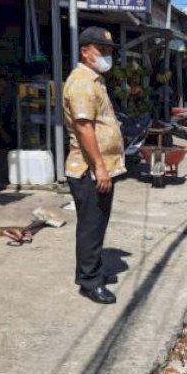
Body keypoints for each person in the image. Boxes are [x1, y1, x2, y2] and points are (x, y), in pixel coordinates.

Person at [63, 26, 125, 305]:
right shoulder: (81, 83)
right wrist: (99, 167)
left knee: (97, 223)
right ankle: (89, 281)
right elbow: (84, 127)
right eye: (102, 50)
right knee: (91, 225)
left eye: (109, 50)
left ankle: (92, 270)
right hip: (88, 168)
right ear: (85, 51)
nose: (107, 55)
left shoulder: (94, 80)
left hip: (101, 166)